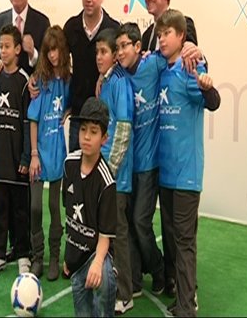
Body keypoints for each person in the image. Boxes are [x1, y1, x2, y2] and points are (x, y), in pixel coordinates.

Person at [155, 9, 220, 317]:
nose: (161, 39)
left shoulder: (191, 66)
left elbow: (213, 101)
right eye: (159, 34)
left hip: (186, 174)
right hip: (165, 173)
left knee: (184, 241)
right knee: (172, 239)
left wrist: (206, 85)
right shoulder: (162, 70)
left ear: (182, 36)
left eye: (167, 33)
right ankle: (182, 295)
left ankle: (187, 305)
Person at [142, 0, 201, 297]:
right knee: (161, 222)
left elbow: (192, 58)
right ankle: (168, 276)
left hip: (180, 153)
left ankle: (186, 287)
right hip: (153, 147)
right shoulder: (146, 35)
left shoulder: (184, 24)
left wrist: (195, 50)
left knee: (182, 230)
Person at [115, 22, 166, 301]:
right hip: (129, 165)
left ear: (138, 46)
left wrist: (195, 51)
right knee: (129, 224)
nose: (120, 52)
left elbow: (178, 56)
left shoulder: (153, 63)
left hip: (150, 164)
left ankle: (158, 269)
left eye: (125, 46)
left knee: (139, 221)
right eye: (117, 47)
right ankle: (134, 278)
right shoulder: (119, 76)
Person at [62, 97, 117, 317]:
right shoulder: (69, 164)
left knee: (104, 276)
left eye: (93, 132)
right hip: (76, 257)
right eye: (83, 129)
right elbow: (69, 215)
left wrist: (97, 263)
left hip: (96, 254)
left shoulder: (106, 181)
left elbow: (105, 235)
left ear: (104, 138)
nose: (86, 136)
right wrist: (68, 256)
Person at [0, 24, 31, 276]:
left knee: (20, 210)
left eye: (7, 46)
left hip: (17, 161)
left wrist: (25, 156)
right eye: (0, 46)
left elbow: (27, 122)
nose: (2, 51)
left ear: (18, 49)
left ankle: (23, 254)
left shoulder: (24, 82)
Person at [95, 28, 135, 314]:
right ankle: (111, 286)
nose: (99, 57)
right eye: (97, 52)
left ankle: (125, 294)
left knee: (119, 234)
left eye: (104, 52)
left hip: (117, 176)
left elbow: (123, 128)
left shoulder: (120, 82)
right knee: (108, 232)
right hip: (106, 171)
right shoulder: (107, 81)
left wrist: (111, 169)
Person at [27, 25, 71, 281]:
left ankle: (54, 256)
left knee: (55, 205)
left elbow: (73, 102)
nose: (53, 55)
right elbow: (33, 119)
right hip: (39, 153)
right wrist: (34, 154)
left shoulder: (67, 80)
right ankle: (37, 256)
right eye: (49, 51)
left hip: (57, 153)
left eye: (56, 50)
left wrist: (70, 110)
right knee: (35, 207)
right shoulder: (39, 80)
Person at [62, 0, 120, 152]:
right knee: (75, 166)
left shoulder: (114, 28)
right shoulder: (70, 27)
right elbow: (59, 64)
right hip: (78, 117)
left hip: (105, 118)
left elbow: (123, 67)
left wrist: (105, 75)